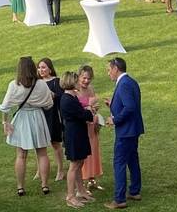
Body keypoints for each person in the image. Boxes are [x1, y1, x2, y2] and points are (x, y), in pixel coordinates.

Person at [0, 56, 54, 196]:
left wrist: (5, 122)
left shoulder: (14, 85)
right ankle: (45, 185)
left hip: (22, 118)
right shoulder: (41, 84)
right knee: (42, 153)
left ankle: (20, 187)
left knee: (21, 155)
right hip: (38, 117)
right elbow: (49, 104)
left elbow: (5, 107)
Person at [104, 57, 144, 209]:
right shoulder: (131, 81)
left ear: (116, 69)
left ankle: (119, 199)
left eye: (109, 70)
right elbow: (128, 104)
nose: (108, 73)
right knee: (132, 159)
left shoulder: (124, 84)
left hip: (126, 131)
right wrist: (113, 103)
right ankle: (134, 191)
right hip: (133, 129)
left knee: (119, 163)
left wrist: (114, 120)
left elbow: (129, 107)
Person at [59, 71, 95, 209]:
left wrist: (87, 110)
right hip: (73, 135)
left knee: (80, 163)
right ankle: (70, 196)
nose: (79, 82)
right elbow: (82, 114)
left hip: (79, 133)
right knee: (74, 166)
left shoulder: (72, 97)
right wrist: (90, 111)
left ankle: (80, 191)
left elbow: (81, 112)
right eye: (76, 80)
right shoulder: (67, 99)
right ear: (71, 82)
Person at [75, 65, 104, 193]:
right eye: (84, 78)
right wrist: (89, 106)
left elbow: (94, 105)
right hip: (81, 127)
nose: (86, 81)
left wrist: (94, 109)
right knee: (83, 155)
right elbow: (75, 109)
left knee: (93, 152)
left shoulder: (90, 88)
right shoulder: (74, 90)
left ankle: (92, 179)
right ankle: (81, 183)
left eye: (89, 78)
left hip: (92, 126)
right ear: (79, 76)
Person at [36, 59, 65, 182]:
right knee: (39, 145)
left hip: (52, 115)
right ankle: (40, 169)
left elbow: (61, 98)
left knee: (55, 143)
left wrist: (53, 95)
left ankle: (60, 169)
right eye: (39, 68)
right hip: (39, 115)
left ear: (50, 69)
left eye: (43, 67)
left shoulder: (56, 82)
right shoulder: (36, 83)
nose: (41, 70)